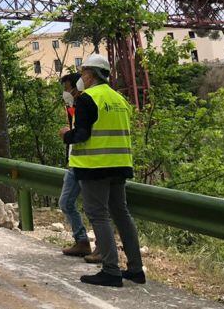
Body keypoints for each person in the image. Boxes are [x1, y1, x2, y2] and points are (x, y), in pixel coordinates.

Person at [60, 53, 145, 287]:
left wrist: (66, 135)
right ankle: (136, 269)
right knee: (121, 214)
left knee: (98, 214)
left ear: (90, 74)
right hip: (120, 165)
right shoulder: (119, 100)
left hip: (95, 166)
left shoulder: (88, 98)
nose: (82, 77)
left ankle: (110, 269)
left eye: (84, 72)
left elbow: (82, 134)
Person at [57, 72, 91, 258]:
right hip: (76, 161)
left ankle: (91, 244)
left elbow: (82, 134)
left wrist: (68, 134)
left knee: (94, 209)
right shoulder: (74, 107)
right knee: (67, 202)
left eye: (67, 87)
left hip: (85, 163)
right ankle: (82, 241)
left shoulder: (85, 105)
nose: (65, 91)